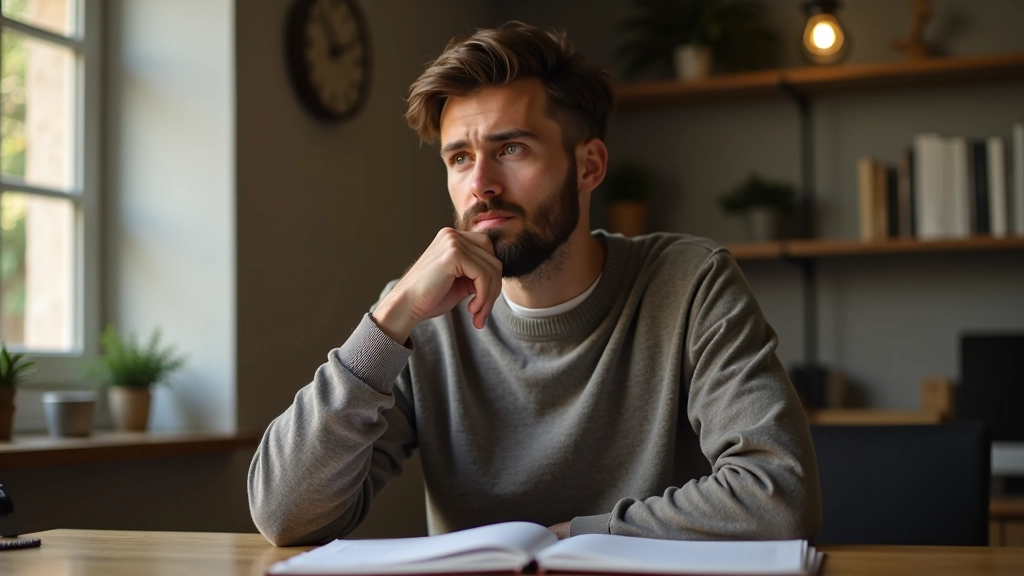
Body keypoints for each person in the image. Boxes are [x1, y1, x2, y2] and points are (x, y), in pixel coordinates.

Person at [248, 22, 821, 547]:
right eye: (460, 158)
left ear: (589, 166)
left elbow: (777, 497)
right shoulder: (419, 317)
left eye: (511, 149)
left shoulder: (691, 284)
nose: (482, 185)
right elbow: (285, 515)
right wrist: (390, 318)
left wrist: (578, 537)